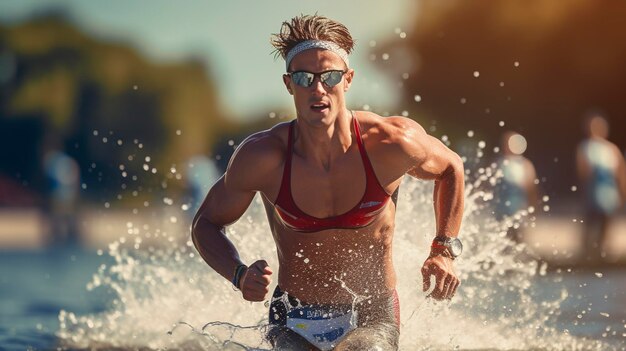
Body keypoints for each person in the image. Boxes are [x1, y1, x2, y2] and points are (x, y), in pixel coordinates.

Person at [191, 14, 465, 351]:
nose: (317, 88)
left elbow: (451, 167)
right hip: (293, 314)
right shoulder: (263, 157)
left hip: (372, 312)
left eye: (329, 76)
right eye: (304, 77)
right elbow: (205, 223)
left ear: (348, 80)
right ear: (288, 84)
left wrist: (443, 250)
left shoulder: (390, 144)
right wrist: (239, 274)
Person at [576, 112, 626, 262]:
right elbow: (583, 172)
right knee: (591, 223)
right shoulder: (585, 147)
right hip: (594, 192)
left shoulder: (611, 149)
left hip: (608, 193)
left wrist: (622, 192)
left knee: (606, 224)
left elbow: (620, 173)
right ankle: (588, 253)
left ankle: (602, 253)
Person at [493, 131, 538, 242]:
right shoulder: (499, 164)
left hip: (518, 210)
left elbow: (531, 189)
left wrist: (533, 208)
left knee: (518, 239)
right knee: (501, 240)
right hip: (501, 211)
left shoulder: (525, 165)